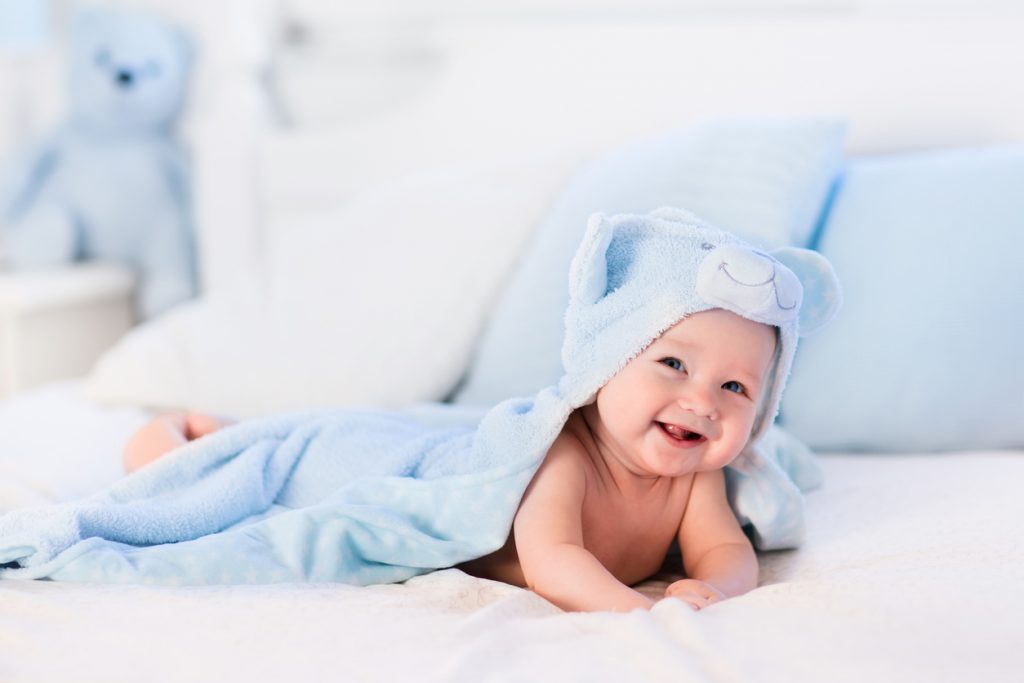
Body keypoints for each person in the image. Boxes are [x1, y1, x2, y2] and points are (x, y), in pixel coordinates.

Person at [122, 306, 774, 613]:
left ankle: (240, 430)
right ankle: (182, 444)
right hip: (418, 473)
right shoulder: (567, 455)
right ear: (606, 368)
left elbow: (724, 549)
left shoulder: (697, 478)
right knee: (300, 470)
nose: (702, 401)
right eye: (673, 363)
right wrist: (632, 610)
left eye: (735, 387)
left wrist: (718, 586)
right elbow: (553, 560)